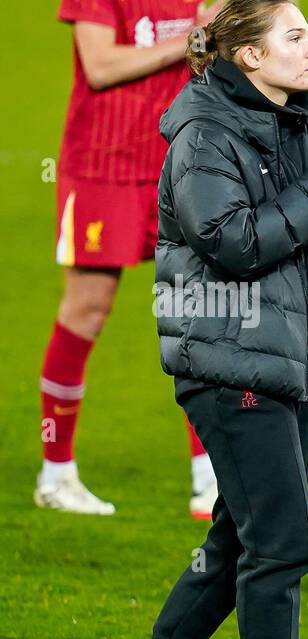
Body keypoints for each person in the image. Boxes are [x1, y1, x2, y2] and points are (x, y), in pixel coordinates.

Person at [105, 0, 308, 639]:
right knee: (281, 543)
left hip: (286, 358)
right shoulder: (203, 133)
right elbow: (234, 243)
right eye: (294, 36)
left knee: (238, 539)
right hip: (230, 363)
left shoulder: (300, 124)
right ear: (250, 57)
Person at [41, 0, 225, 518]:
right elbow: (100, 66)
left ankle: (208, 477)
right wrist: (190, 39)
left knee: (198, 311)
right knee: (87, 310)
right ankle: (56, 472)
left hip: (174, 163)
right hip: (104, 166)